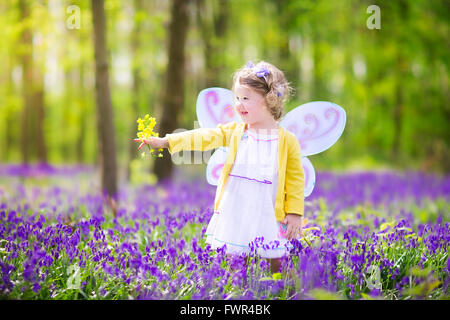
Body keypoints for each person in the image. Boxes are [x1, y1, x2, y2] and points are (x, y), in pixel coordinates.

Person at [136, 61, 305, 273]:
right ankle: (238, 295)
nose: (239, 104)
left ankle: (286, 292)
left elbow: (295, 179)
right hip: (238, 207)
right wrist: (166, 141)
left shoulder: (287, 140)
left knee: (277, 259)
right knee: (237, 258)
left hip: (268, 210)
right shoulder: (236, 131)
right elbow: (203, 137)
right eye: (237, 98)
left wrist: (295, 212)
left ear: (269, 100)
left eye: (246, 98)